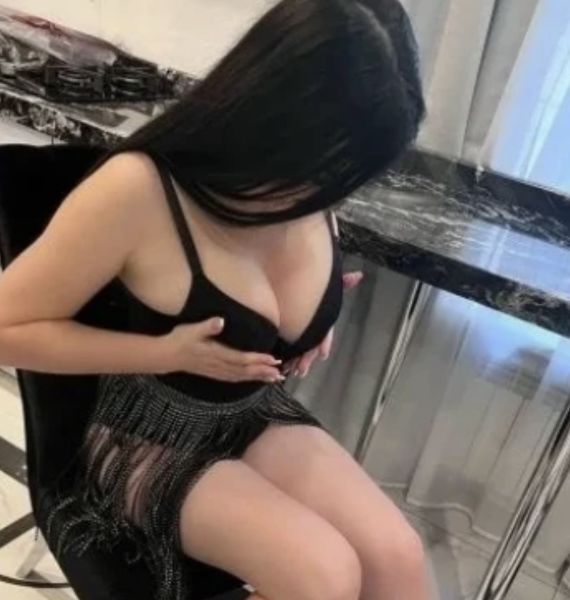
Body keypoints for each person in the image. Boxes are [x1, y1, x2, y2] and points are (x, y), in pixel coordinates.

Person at [0, 0, 429, 598]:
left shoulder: (315, 189)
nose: (329, 191)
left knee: (398, 559)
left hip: (248, 413)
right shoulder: (138, 190)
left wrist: (316, 311)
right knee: (324, 574)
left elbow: (274, 274)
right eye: (327, 166)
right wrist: (167, 352)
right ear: (273, 117)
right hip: (143, 433)